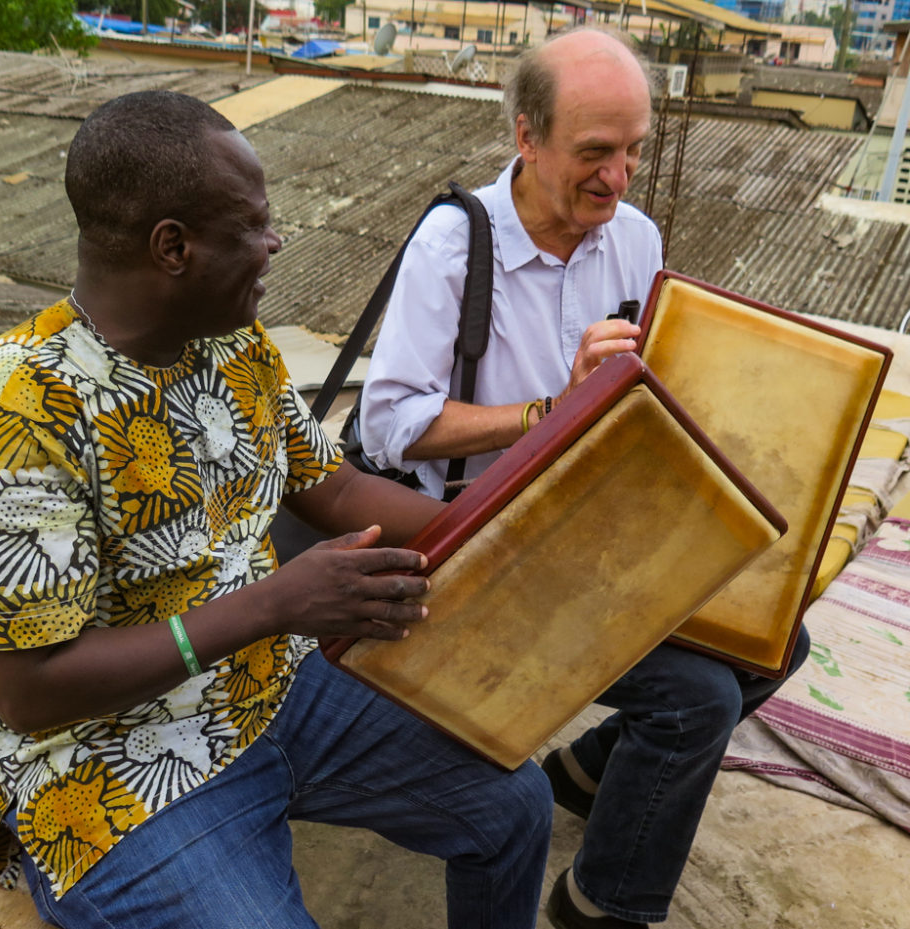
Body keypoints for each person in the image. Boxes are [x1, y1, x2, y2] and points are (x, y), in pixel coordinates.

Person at [0, 89, 554, 929]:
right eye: (253, 224)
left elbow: (333, 488)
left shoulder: (233, 343)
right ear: (172, 247)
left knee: (514, 805)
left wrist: (519, 533)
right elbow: (31, 690)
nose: (276, 240)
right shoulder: (12, 409)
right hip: (109, 767)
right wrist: (277, 604)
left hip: (272, 686)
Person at [359, 28, 811, 929]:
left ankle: (589, 768)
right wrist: (552, 409)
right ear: (527, 137)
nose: (619, 176)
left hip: (590, 527)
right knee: (694, 700)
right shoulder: (455, 247)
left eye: (634, 150)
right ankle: (601, 906)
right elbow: (391, 421)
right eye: (595, 153)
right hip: (476, 541)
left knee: (775, 636)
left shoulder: (632, 240)